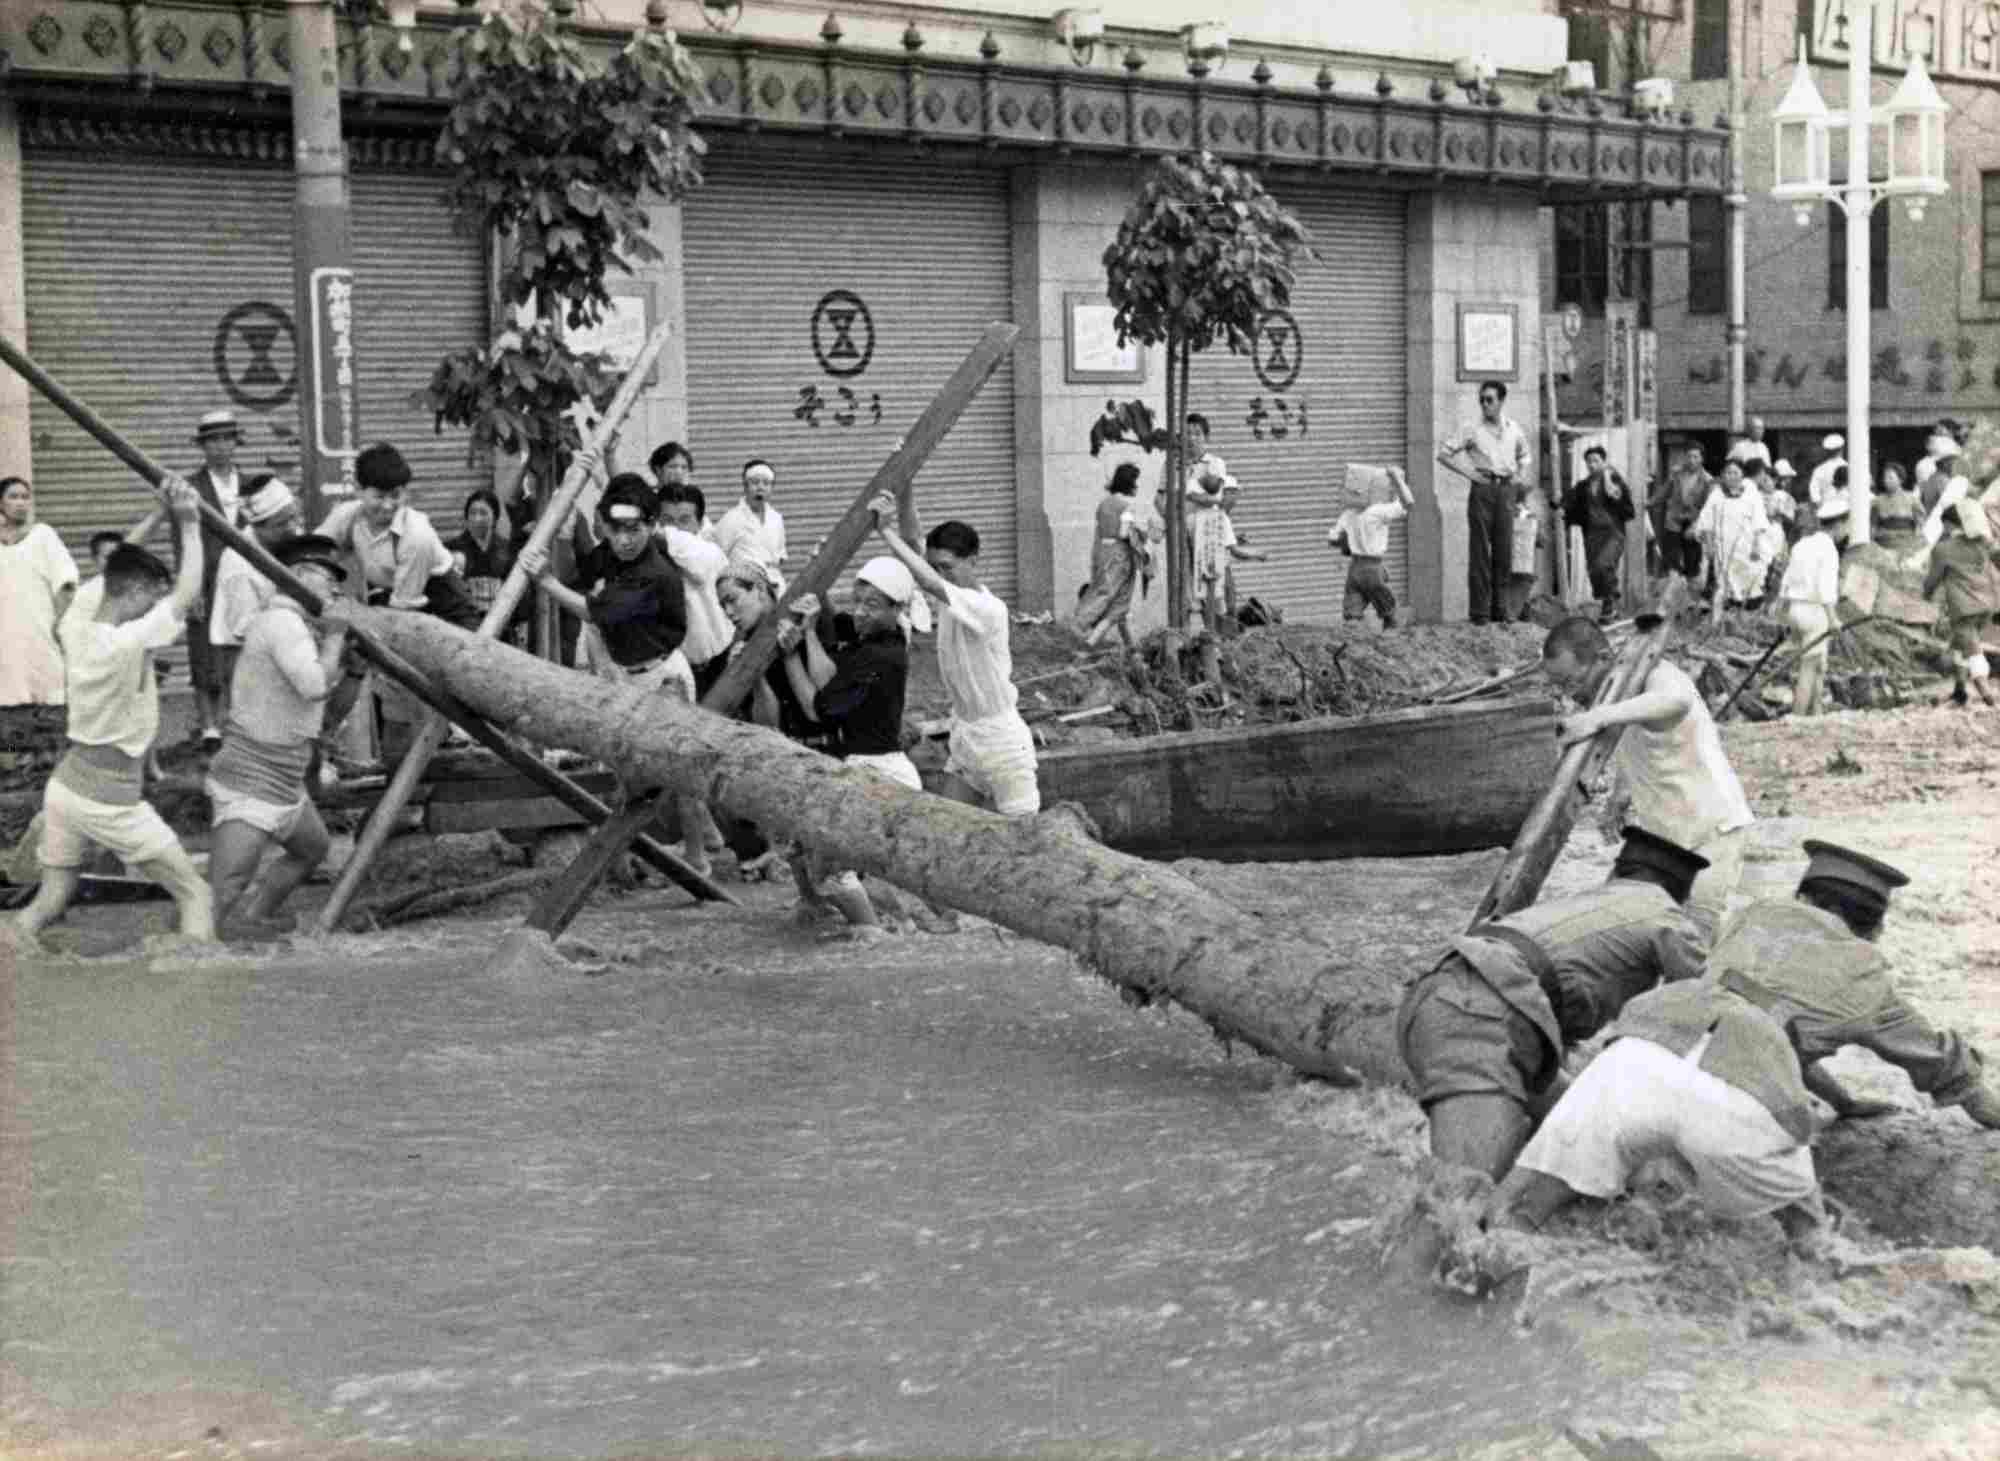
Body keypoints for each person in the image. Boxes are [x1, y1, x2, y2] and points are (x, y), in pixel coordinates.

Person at [1395, 825, 1709, 1179]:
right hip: (1486, 1018)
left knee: (1591, 1138)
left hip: (1436, 995)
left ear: (1616, 872)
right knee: (1463, 1199)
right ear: (1682, 896)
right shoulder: (1669, 920)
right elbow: (1714, 1014)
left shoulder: (1582, 902)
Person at [6, 479, 214, 952]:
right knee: (196, 893)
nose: (155, 606)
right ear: (136, 591)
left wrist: (159, 513)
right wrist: (190, 523)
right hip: (110, 800)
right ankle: (201, 990)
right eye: (151, 596)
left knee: (48, 904)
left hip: (65, 790)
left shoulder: (76, 623)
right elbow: (187, 593)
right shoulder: (123, 643)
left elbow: (118, 564)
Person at [1486, 975, 1825, 1244]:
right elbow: (1799, 1122)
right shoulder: (1775, 1036)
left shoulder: (1675, 993)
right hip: (1729, 1111)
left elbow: (1615, 1047)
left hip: (1632, 1067)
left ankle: (1474, 1269)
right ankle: (1818, 1264)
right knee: (1799, 1195)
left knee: (1532, 1200)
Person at [1705, 840, 2000, 1129]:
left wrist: (1842, 1102)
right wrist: (1977, 1098)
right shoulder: (1859, 971)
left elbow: (1765, 1033)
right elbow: (1933, 1056)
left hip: (1663, 1062)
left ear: (1803, 898)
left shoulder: (1750, 918)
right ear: (1873, 926)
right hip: (1726, 1109)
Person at [520, 473, 715, 877]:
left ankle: (698, 855)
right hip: (625, 676)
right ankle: (640, 852)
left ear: (650, 526)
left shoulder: (654, 571)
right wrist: (556, 535)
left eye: (634, 530)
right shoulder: (610, 554)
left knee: (681, 774)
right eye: (616, 530)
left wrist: (546, 581)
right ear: (604, 526)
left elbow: (596, 610)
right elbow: (579, 573)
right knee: (626, 774)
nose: (625, 540)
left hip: (663, 677)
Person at [1543, 615, 1754, 948]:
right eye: (1558, 686)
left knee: (1694, 945)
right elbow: (1642, 740)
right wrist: (1620, 794)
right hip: (1661, 839)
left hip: (1711, 833)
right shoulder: (1617, 697)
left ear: (1602, 659)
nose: (1569, 695)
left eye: (1571, 682)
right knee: (1621, 935)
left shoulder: (1660, 675)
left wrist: (1595, 718)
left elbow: (1675, 702)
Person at [205, 535, 352, 940]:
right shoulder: (282, 623)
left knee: (312, 849)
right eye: (327, 578)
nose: (334, 589)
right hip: (253, 774)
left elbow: (328, 709)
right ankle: (184, 953)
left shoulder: (300, 627)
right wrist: (337, 638)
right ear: (300, 576)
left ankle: (257, 914)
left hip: (285, 773)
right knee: (225, 888)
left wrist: (347, 661)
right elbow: (313, 686)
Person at [770, 558, 926, 936]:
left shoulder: (882, 656)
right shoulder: (876, 640)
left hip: (879, 772)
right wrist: (808, 634)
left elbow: (817, 707)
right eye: (857, 601)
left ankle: (873, 937)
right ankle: (870, 922)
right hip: (867, 766)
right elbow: (833, 678)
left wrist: (792, 656)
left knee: (834, 868)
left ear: (896, 609)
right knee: (812, 849)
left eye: (872, 606)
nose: (860, 613)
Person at [866, 490, 1040, 816]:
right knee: (949, 828)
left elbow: (929, 581)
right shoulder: (950, 600)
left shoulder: (987, 608)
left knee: (1029, 841)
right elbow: (915, 541)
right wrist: (906, 489)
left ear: (973, 562)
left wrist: (884, 530)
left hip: (1003, 742)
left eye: (948, 567)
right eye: (936, 568)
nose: (941, 575)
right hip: (965, 736)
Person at [0, 475, 81, 794]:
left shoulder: (44, 536)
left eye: (25, 497)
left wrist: (56, 624)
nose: (21, 503)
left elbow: (68, 584)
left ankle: (50, 774)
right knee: (8, 704)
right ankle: (12, 772)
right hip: (6, 638)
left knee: (47, 698)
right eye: (13, 497)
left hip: (40, 634)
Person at [1435, 381, 1531, 625]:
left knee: (1504, 550)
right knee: (1480, 552)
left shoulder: (1513, 428)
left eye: (1489, 399)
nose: (1485, 405)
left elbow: (1525, 456)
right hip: (1483, 488)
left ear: (1501, 400)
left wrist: (1518, 479)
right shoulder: (1471, 428)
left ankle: (1502, 609)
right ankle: (1479, 612)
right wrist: (1469, 474)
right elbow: (1443, 454)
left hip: (1506, 490)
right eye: (1482, 400)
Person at [181, 409, 249, 750]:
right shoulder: (192, 487)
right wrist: (190, 588)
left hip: (242, 580)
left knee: (242, 646)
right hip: (205, 577)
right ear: (203, 446)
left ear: (236, 442)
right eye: (213, 440)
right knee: (203, 650)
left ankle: (236, 719)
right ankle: (208, 726)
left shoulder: (251, 484)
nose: (221, 446)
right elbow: (182, 536)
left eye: (226, 438)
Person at [209, 475, 302, 681]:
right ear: (258, 526)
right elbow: (246, 629)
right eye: (282, 523)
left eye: (294, 517)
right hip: (246, 661)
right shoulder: (238, 564)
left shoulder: (289, 541)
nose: (293, 527)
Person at [1922, 497, 1999, 709]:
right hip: (1987, 603)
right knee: (1960, 647)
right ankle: (1959, 690)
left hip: (1963, 607)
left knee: (1972, 649)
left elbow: (1932, 580)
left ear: (1948, 524)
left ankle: (1987, 695)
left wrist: (1925, 596)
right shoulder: (1982, 544)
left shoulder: (1943, 549)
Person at [1777, 494, 1849, 717]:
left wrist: (1782, 612)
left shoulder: (1802, 544)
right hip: (1814, 612)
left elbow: (1786, 579)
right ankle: (1797, 717)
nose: (1845, 531)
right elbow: (1825, 587)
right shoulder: (1829, 550)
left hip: (1795, 609)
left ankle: (1816, 713)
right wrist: (1833, 618)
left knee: (1819, 664)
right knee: (1809, 667)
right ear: (1837, 525)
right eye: (1845, 525)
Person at [1070, 461, 1148, 652]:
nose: (1138, 487)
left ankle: (1094, 643)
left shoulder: (1103, 504)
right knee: (1116, 600)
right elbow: (1123, 534)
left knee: (1110, 599)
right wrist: (1138, 530)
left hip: (1103, 553)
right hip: (1120, 556)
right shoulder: (1126, 506)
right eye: (1136, 482)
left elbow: (1100, 533)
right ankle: (1080, 627)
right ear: (1129, 484)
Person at [1329, 465, 1414, 628]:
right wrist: (1397, 479)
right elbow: (1408, 503)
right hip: (1373, 568)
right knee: (1390, 613)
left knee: (1352, 615)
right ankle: (1391, 644)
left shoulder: (1349, 513)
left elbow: (1332, 539)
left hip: (1354, 569)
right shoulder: (1378, 511)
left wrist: (1351, 540)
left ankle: (1354, 645)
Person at [1563, 444, 1635, 617]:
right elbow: (1569, 500)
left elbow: (1626, 504)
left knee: (1604, 565)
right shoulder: (1583, 486)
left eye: (1596, 461)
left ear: (1603, 462)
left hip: (1613, 532)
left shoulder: (1614, 481)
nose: (1592, 465)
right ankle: (1609, 604)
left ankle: (1611, 600)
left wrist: (1616, 496)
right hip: (1592, 534)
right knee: (1594, 570)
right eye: (1588, 461)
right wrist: (1560, 506)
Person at [1693, 459, 1772, 611]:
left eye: (1736, 472)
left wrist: (1756, 545)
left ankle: (1751, 611)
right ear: (1723, 475)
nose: (1732, 476)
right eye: (1728, 473)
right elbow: (1706, 522)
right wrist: (1709, 545)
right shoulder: (1716, 495)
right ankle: (1729, 613)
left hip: (1747, 546)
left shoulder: (1751, 494)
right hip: (1724, 546)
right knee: (1726, 580)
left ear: (1742, 474)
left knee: (1750, 577)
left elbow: (1759, 521)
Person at [444, 489, 518, 618]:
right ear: (466, 517)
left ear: (495, 517)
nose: (477, 519)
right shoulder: (452, 549)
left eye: (483, 513)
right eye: (472, 513)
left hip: (500, 622)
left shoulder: (508, 550)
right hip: (465, 623)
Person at [713, 459, 787, 584]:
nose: (760, 488)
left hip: (774, 585)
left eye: (766, 483)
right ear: (745, 486)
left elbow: (780, 557)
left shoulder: (776, 519)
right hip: (744, 587)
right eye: (755, 482)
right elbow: (717, 556)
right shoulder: (731, 519)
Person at [1660, 442, 1715, 584]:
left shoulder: (1707, 480)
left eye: (1695, 457)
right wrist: (1649, 502)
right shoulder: (1676, 474)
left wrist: (1697, 525)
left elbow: (1708, 507)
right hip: (1674, 520)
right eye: (1689, 456)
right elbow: (1665, 491)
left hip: (1693, 522)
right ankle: (1675, 592)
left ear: (1702, 459)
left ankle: (1690, 596)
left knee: (1692, 563)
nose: (1692, 460)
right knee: (1671, 560)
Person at [1506, 485, 1541, 623]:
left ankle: (1521, 613)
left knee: (1517, 588)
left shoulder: (1505, 512)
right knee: (1522, 585)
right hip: (1524, 563)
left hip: (1509, 561)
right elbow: (1541, 540)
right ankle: (1515, 615)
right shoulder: (1529, 515)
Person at [1871, 461, 1922, 555]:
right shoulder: (1877, 501)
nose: (1886, 480)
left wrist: (1916, 543)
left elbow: (1920, 524)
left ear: (1900, 479)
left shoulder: (1912, 499)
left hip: (1907, 542)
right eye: (1885, 477)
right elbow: (1873, 526)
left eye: (1890, 478)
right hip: (1883, 543)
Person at [1806, 433, 1846, 509]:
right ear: (1842, 448)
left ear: (1826, 451)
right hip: (1845, 508)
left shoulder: (1819, 470)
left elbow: (1814, 494)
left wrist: (1820, 507)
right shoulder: (1849, 468)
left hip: (1826, 509)